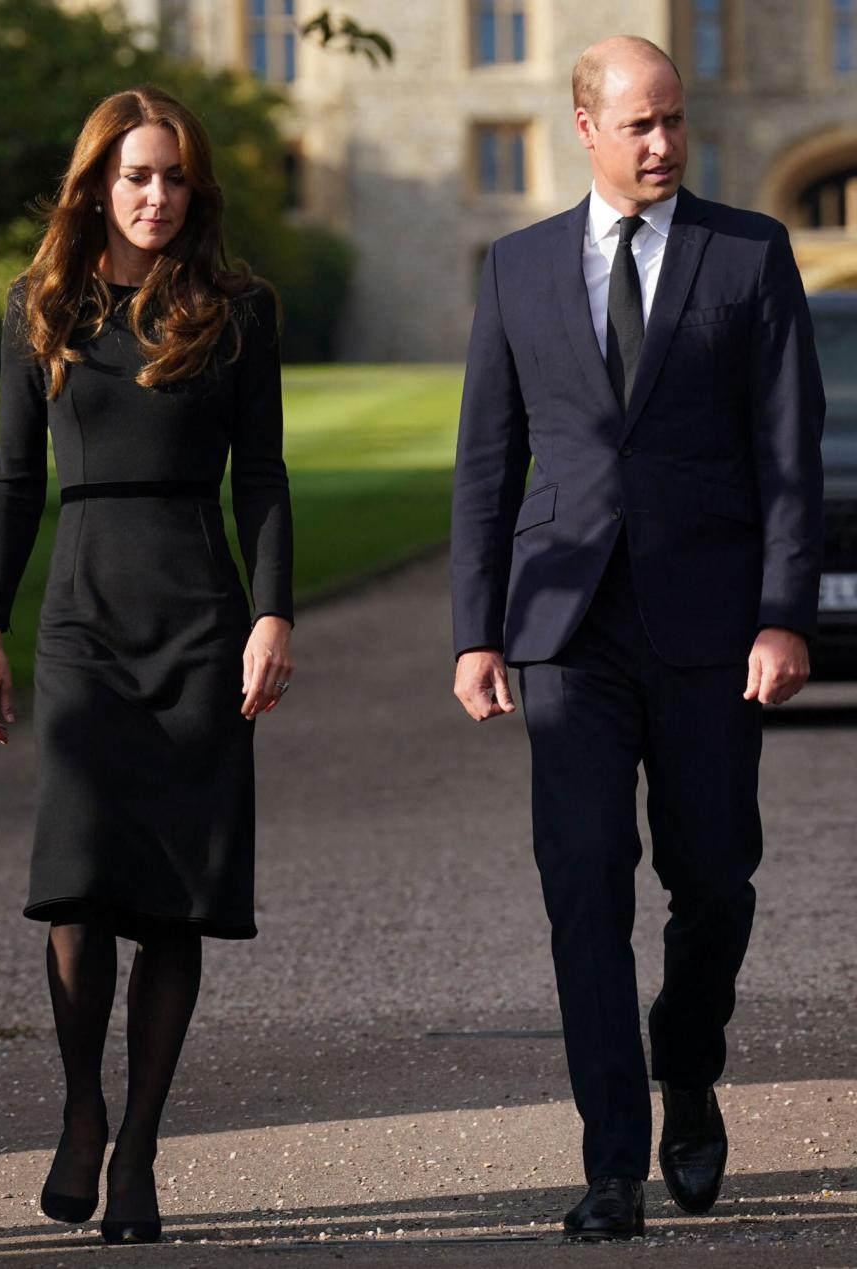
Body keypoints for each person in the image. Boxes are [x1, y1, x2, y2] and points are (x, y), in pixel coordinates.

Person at [451, 36, 823, 1241]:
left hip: (713, 623)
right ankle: (612, 1158)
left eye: (672, 121)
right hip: (565, 628)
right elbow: (486, 463)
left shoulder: (750, 254)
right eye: (640, 125)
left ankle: (691, 1067)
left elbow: (787, 451)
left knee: (713, 882)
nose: (663, 143)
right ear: (585, 127)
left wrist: (781, 611)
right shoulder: (514, 269)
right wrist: (476, 632)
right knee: (582, 884)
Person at [0, 85, 293, 1245]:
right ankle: (83, 1108)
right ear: (98, 183)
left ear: (194, 190)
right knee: (80, 882)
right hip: (82, 619)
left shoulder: (240, 309)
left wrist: (273, 615)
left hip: (201, 615)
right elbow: (11, 482)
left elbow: (262, 478)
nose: (157, 196)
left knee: (174, 904)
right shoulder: (40, 306)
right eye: (136, 175)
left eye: (174, 177)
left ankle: (143, 1149)